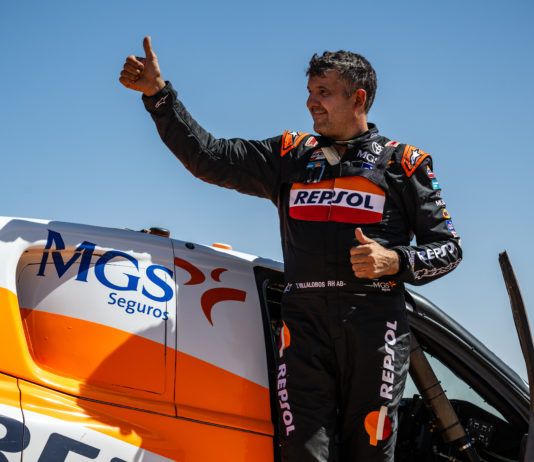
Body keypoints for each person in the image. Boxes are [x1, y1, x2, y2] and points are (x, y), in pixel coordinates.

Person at [119, 37, 462, 462]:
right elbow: (209, 157)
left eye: (324, 92)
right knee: (303, 452)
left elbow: (449, 249)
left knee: (371, 452)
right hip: (303, 327)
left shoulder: (403, 164)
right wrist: (159, 97)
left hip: (375, 327)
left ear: (358, 99)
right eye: (310, 91)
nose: (311, 103)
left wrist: (395, 260)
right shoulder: (290, 155)